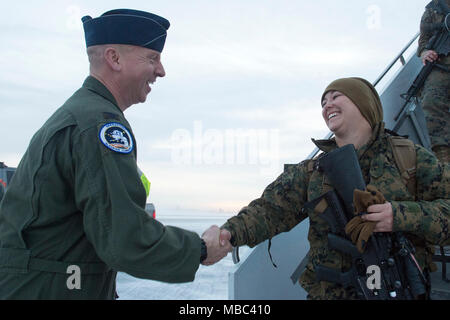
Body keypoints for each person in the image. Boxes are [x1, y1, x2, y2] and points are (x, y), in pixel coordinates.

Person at [0, 9, 231, 299]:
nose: (161, 70)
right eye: (152, 58)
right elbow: (124, 237)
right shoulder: (99, 125)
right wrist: (199, 249)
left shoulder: (82, 113)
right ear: (114, 58)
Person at [215, 77, 449, 300]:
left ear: (363, 103)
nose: (327, 105)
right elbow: (269, 210)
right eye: (323, 102)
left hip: (397, 289)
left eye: (336, 96)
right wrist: (228, 234)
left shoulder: (410, 157)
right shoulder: (313, 171)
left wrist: (399, 216)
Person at [417, 0, 450, 163]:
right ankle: (445, 163)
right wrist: (425, 53)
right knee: (431, 102)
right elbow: (423, 42)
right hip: (441, 65)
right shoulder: (433, 9)